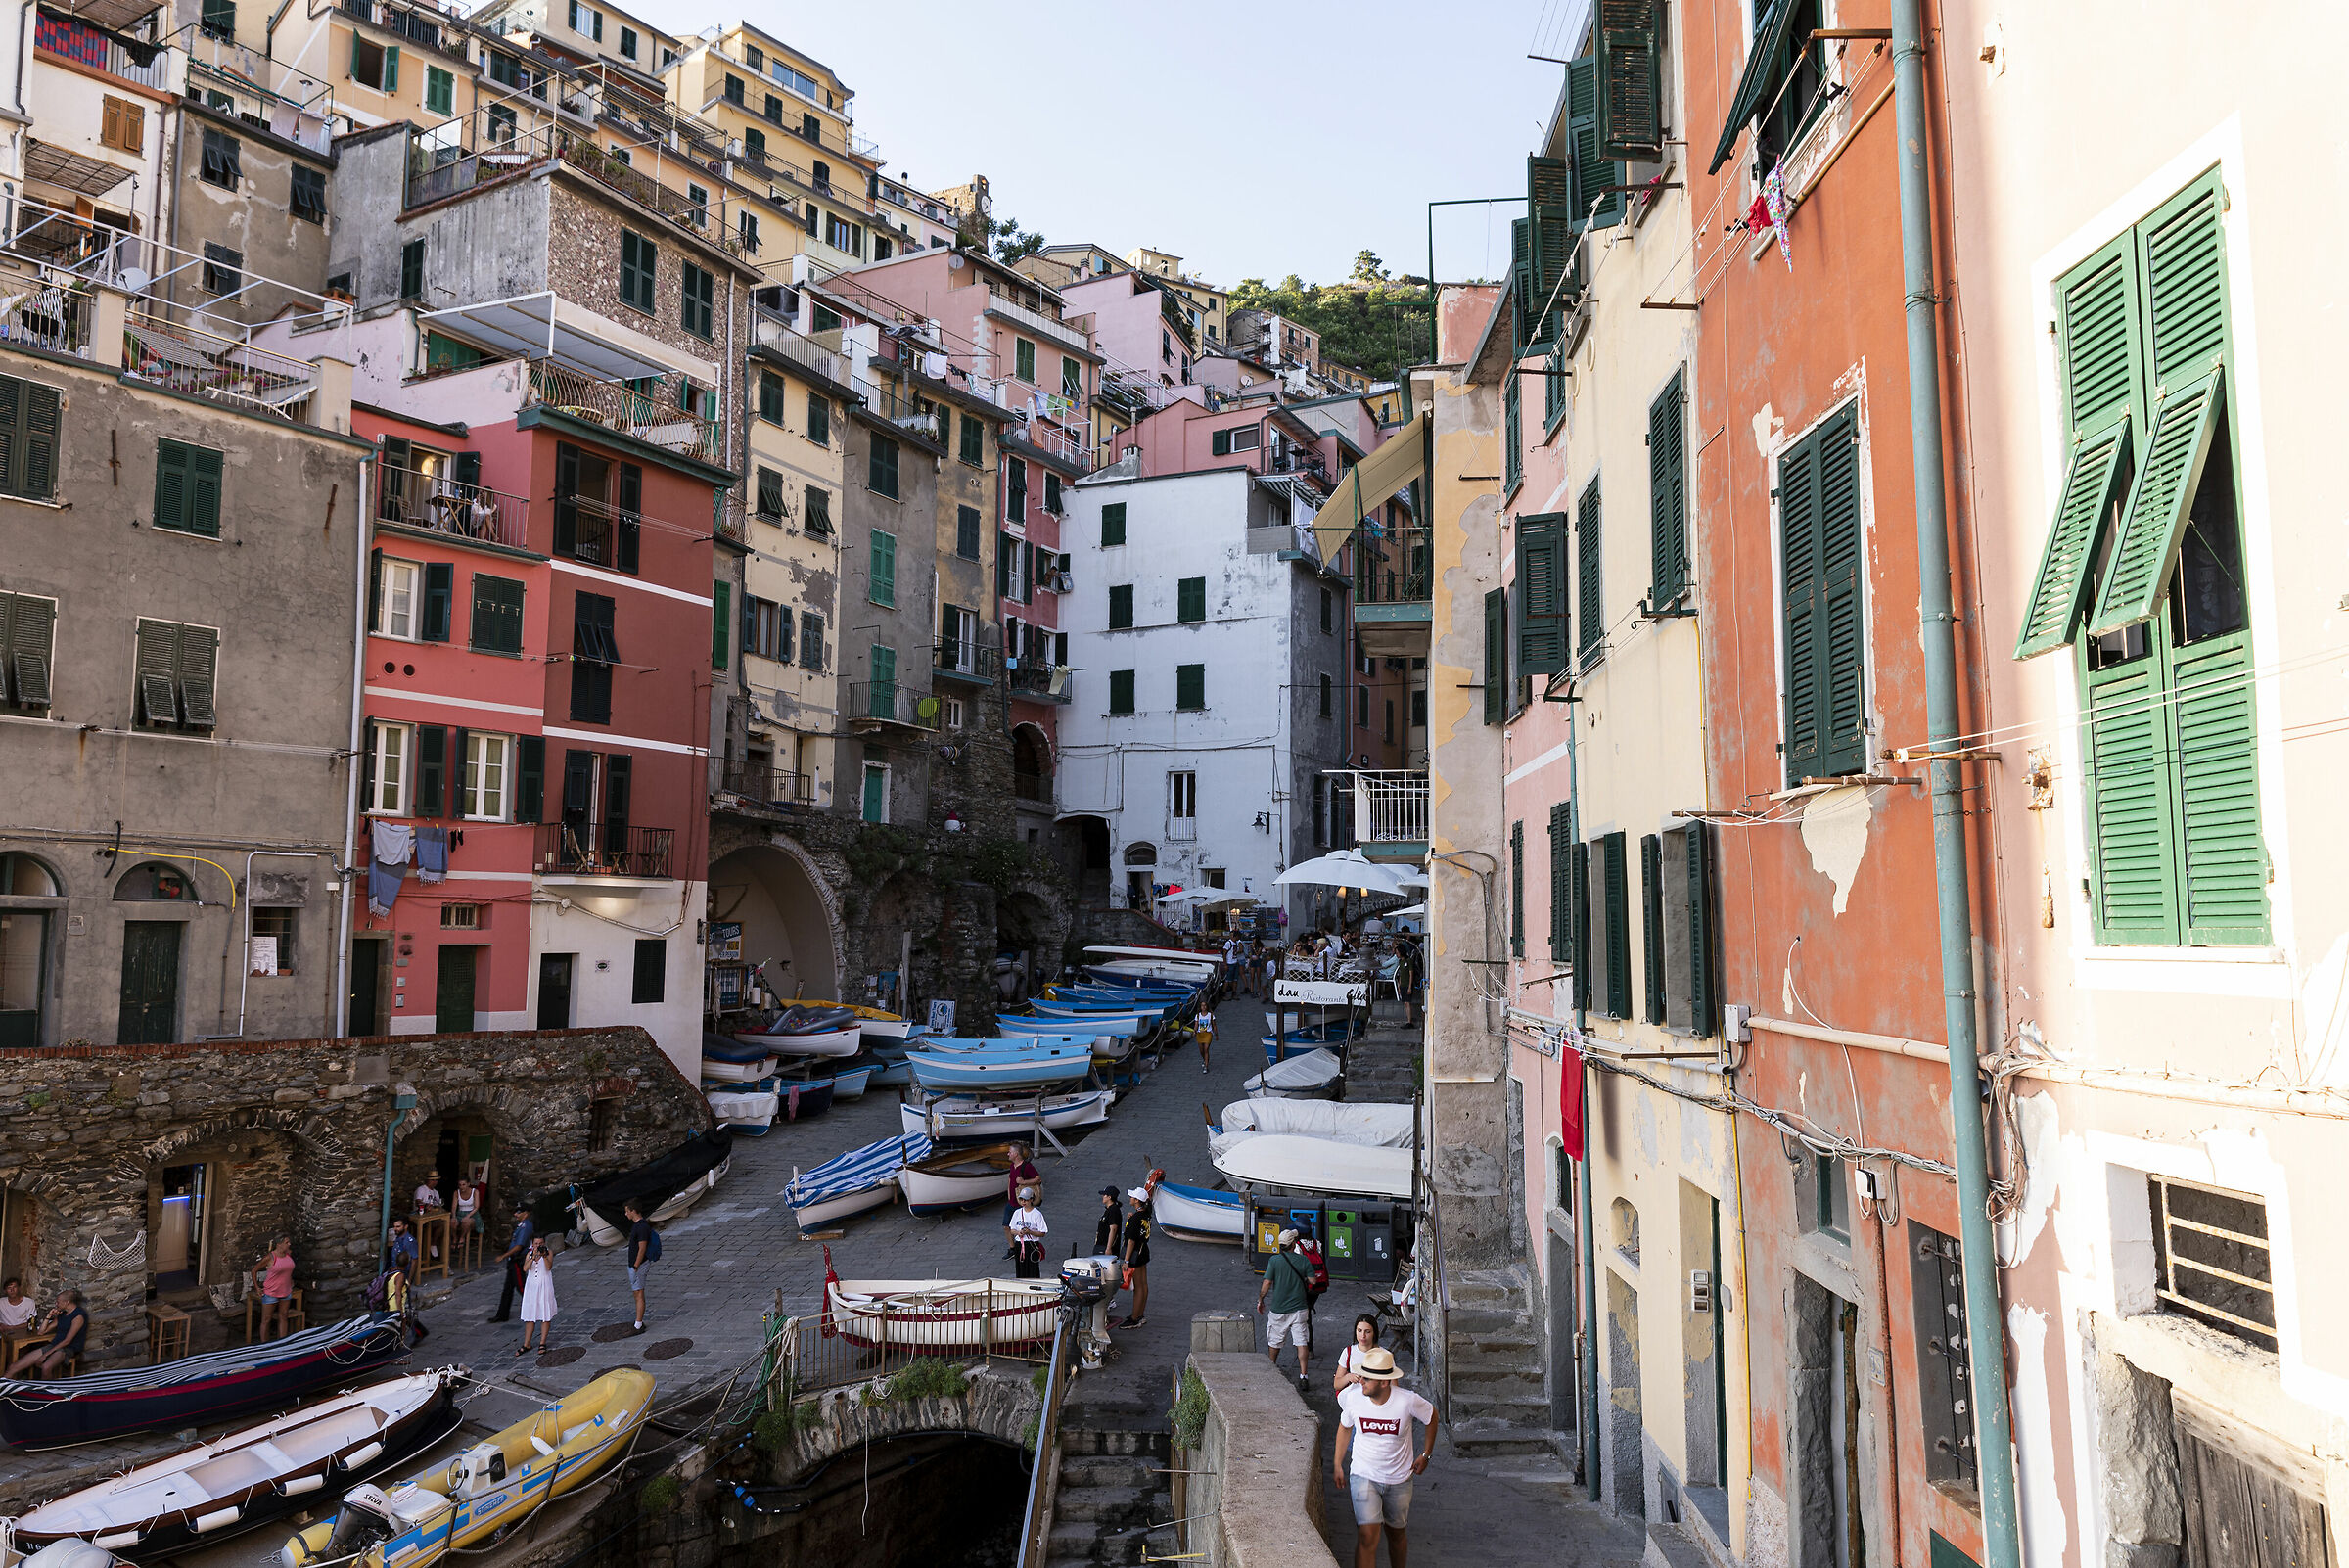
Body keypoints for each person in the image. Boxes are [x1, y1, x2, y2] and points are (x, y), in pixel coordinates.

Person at [1333, 1348, 1438, 1568]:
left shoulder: (1407, 1401)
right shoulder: (1354, 1399)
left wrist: (1426, 1454)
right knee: (1367, 1536)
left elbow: (1431, 1416)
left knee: (1396, 1535)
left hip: (1399, 1479)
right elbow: (1344, 1427)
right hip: (1363, 1474)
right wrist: (1337, 1464)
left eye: (1367, 1378)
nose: (1361, 1382)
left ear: (1383, 1382)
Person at [1257, 1228, 1316, 1391]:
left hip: (1279, 1309)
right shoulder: (1303, 1260)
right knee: (1301, 1342)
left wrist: (1261, 1299)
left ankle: (1272, 1370)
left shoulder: (1274, 1261)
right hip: (1300, 1308)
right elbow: (1313, 1281)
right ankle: (1303, 1375)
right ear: (1293, 1244)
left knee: (1275, 1341)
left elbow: (1267, 1283)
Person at [4, 1289, 86, 1378]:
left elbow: (67, 1341)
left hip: (68, 1348)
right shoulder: (62, 1315)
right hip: (54, 1346)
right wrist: (49, 1316)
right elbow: (41, 1332)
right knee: (13, 1367)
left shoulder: (78, 1316)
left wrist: (46, 1355)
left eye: (58, 1302)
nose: (56, 1304)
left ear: (66, 1302)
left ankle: (48, 1387)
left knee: (46, 1367)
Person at [488, 1202, 532, 1323]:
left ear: (525, 1213)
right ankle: (502, 1314)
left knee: (521, 1287)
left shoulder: (525, 1226)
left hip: (517, 1260)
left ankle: (535, 1308)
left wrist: (503, 1256)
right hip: (513, 1260)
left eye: (518, 1212)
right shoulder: (521, 1225)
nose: (515, 1214)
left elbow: (518, 1246)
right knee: (507, 1289)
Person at [1114, 1191, 1151, 1329]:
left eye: (1132, 1197)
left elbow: (1131, 1241)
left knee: (1138, 1287)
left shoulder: (1136, 1218)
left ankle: (1134, 1318)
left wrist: (1126, 1261)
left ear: (1137, 1200)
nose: (1130, 1198)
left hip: (1135, 1254)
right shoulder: (1145, 1214)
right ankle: (1140, 1314)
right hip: (1143, 1251)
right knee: (1144, 1284)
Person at [517, 1237, 557, 1356]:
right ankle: (526, 1344)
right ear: (532, 1244)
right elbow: (525, 1268)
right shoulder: (529, 1254)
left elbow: (549, 1267)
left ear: (544, 1243)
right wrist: (533, 1257)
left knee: (545, 1315)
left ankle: (542, 1342)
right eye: (536, 1243)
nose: (538, 1245)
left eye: (541, 1243)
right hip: (531, 1288)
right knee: (530, 1316)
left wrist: (543, 1256)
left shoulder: (549, 1253)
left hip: (545, 1286)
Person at [253, 1237, 298, 1342]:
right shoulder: (270, 1257)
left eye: (289, 1242)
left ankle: (282, 1343)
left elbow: (287, 1269)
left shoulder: (288, 1254)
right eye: (286, 1242)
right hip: (271, 1293)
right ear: (279, 1244)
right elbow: (254, 1270)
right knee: (266, 1320)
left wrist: (290, 1281)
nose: (289, 1244)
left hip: (286, 1292)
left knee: (283, 1317)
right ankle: (265, 1346)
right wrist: (257, 1288)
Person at [1000, 1144, 1040, 1258]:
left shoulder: (1027, 1166)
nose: (1008, 1154)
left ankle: (1027, 1248)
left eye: (1010, 1152)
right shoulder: (1012, 1166)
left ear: (1016, 1154)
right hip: (1012, 1202)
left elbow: (1038, 1179)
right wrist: (1009, 1194)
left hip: (1022, 1203)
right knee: (1006, 1226)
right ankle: (1012, 1249)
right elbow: (1010, 1179)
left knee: (1023, 1228)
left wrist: (1023, 1182)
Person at [1333, 1314, 1384, 1396]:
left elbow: (1393, 1387)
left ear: (1374, 1333)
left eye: (1368, 1332)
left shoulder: (1384, 1355)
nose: (1363, 1336)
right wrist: (1348, 1377)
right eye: (1359, 1331)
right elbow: (1336, 1385)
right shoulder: (1348, 1352)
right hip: (1353, 1400)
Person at [623, 1201, 653, 1336]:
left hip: (638, 1266)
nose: (626, 1214)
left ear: (633, 1211)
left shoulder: (641, 1227)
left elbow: (642, 1248)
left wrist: (636, 1266)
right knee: (637, 1293)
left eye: (627, 1211)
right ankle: (639, 1321)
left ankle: (638, 1325)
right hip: (635, 1266)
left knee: (639, 1293)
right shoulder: (638, 1225)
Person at [1009, 1187, 1048, 1279]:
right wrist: (1018, 1232)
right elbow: (1012, 1229)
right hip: (1019, 1244)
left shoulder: (1037, 1214)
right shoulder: (1017, 1212)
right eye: (1021, 1199)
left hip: (1032, 1245)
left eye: (1025, 1200)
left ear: (1031, 1199)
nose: (1023, 1202)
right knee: (1020, 1269)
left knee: (1032, 1270)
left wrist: (1030, 1232)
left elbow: (1043, 1233)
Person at [386, 1218, 419, 1283]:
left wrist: (409, 1280)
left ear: (406, 1227)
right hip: (394, 1271)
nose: (395, 1229)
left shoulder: (409, 1241)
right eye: (394, 1227)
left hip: (402, 1273)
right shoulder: (399, 1237)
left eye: (398, 1227)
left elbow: (414, 1261)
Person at [1092, 1186, 1123, 1257]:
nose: (1102, 1196)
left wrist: (1108, 1248)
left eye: (1104, 1195)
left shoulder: (1113, 1210)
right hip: (1101, 1246)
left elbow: (1113, 1229)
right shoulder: (1109, 1210)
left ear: (1109, 1197)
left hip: (1105, 1248)